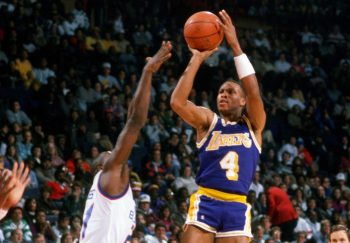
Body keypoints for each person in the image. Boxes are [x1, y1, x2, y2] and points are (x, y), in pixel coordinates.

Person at [170, 9, 266, 243]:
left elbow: (253, 90)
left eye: (230, 92)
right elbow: (177, 102)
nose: (223, 95)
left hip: (236, 205)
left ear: (242, 101)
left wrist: (235, 46)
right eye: (221, 91)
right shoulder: (209, 121)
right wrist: (197, 58)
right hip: (207, 200)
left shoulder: (253, 126)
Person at [79, 41, 172, 243]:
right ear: (102, 166)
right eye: (110, 154)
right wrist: (148, 73)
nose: (114, 153)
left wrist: (145, 76)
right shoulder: (109, 177)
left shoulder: (109, 189)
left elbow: (131, 118)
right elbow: (135, 122)